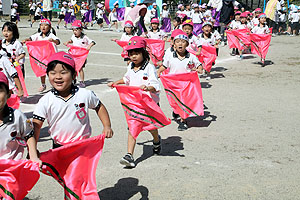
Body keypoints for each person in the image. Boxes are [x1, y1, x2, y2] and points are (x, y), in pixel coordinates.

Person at [32, 51, 113, 150]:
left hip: (82, 146)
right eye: (53, 73)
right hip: (59, 147)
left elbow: (99, 106)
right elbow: (36, 126)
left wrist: (107, 126)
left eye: (63, 72)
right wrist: (32, 149)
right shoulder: (46, 100)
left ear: (74, 75)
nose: (58, 77)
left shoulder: (84, 94)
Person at [107, 36, 161, 168]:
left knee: (151, 127)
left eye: (136, 53)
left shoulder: (149, 67)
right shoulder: (131, 66)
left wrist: (147, 87)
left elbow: (156, 85)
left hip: (148, 104)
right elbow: (127, 79)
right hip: (134, 104)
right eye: (131, 53)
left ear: (143, 52)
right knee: (132, 127)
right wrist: (116, 83)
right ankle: (129, 155)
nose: (133, 56)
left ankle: (156, 139)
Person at [157, 30, 203, 131]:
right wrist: (159, 72)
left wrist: (199, 69)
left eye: (183, 41)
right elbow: (165, 66)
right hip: (173, 83)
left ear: (187, 44)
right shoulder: (170, 56)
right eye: (178, 41)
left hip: (187, 84)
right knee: (175, 101)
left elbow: (199, 65)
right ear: (174, 44)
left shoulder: (191, 56)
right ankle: (176, 111)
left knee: (184, 101)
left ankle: (183, 121)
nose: (180, 44)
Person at [0, 71, 41, 166]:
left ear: (9, 93)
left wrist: (34, 157)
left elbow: (29, 136)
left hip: (11, 170)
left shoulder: (17, 117)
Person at [22, 18, 60, 92]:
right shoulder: (37, 35)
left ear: (49, 27)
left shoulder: (51, 35)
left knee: (51, 72)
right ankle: (43, 84)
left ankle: (55, 84)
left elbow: (58, 42)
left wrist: (53, 40)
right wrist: (26, 40)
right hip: (41, 57)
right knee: (42, 71)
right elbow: (30, 39)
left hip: (50, 57)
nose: (43, 27)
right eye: (41, 25)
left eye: (45, 25)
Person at [63, 20, 95, 88]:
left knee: (80, 68)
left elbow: (92, 42)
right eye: (73, 30)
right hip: (74, 55)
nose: (74, 32)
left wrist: (89, 46)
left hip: (81, 57)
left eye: (76, 30)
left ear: (81, 29)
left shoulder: (85, 37)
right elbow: (72, 40)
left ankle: (82, 81)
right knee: (72, 68)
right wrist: (68, 42)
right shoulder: (73, 36)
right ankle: (73, 80)